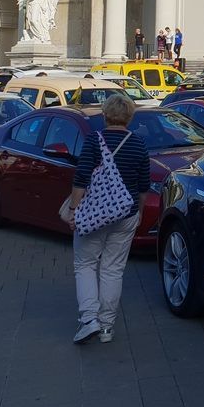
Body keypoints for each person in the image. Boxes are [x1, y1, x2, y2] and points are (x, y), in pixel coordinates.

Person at [67, 94, 150, 345]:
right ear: (130, 117)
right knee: (113, 269)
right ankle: (106, 327)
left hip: (94, 213)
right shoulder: (138, 144)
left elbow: (81, 178)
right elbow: (143, 185)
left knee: (85, 264)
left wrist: (73, 210)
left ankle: (89, 319)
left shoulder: (94, 140)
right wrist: (139, 212)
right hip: (126, 213)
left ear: (105, 115)